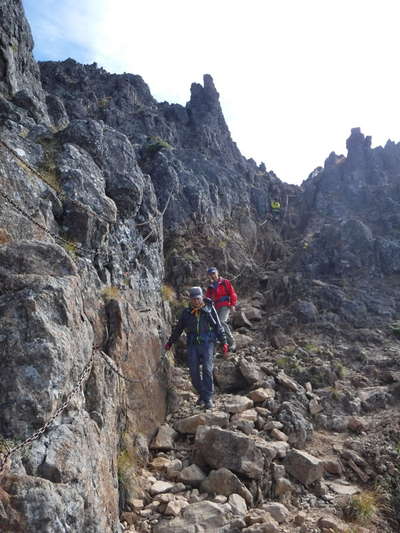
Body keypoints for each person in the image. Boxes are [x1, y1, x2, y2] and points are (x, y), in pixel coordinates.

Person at [164, 287, 227, 409]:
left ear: (202, 297)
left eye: (198, 298)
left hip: (208, 343)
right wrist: (170, 342)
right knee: (193, 373)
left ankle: (208, 398)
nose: (196, 301)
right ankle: (203, 394)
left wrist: (224, 341)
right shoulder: (187, 313)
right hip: (192, 344)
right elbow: (178, 329)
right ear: (190, 300)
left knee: (207, 369)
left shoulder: (209, 309)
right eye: (193, 299)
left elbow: (218, 326)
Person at [205, 267, 237, 352]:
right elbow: (207, 299)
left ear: (217, 273)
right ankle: (223, 344)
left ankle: (232, 343)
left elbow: (232, 293)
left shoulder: (225, 282)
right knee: (216, 325)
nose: (212, 276)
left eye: (213, 273)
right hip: (215, 308)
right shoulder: (210, 287)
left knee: (222, 322)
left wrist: (233, 305)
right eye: (210, 274)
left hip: (225, 306)